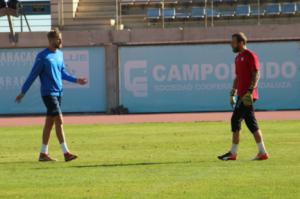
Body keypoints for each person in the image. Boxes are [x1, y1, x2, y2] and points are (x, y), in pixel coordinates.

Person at [15, 28, 88, 162]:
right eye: (58, 38)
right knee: (59, 121)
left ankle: (43, 154)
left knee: (49, 124)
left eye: (60, 38)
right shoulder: (42, 56)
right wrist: (23, 92)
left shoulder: (59, 54)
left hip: (59, 93)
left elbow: (62, 73)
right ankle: (66, 153)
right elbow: (33, 75)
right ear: (50, 40)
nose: (60, 40)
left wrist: (77, 80)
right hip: (48, 94)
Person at [218, 32, 269, 161]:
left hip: (247, 95)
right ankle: (262, 153)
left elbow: (256, 74)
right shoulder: (238, 58)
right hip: (241, 95)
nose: (231, 44)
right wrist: (233, 91)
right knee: (251, 124)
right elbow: (238, 77)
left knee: (235, 120)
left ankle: (233, 153)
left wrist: (250, 91)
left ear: (241, 43)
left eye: (233, 42)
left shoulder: (250, 55)